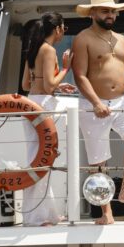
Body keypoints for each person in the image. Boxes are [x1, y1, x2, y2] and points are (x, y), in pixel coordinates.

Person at [72, 0, 124, 225]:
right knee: (98, 160)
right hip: (93, 103)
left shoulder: (121, 39)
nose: (111, 15)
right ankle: (106, 213)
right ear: (93, 13)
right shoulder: (83, 38)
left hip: (122, 102)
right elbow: (80, 76)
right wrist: (95, 102)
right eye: (105, 11)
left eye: (113, 11)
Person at [21, 12, 75, 225]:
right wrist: (65, 69)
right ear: (58, 29)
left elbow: (27, 85)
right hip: (44, 107)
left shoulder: (33, 49)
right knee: (44, 159)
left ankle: (45, 213)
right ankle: (37, 217)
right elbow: (49, 87)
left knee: (36, 158)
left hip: (31, 103)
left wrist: (56, 84)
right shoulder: (50, 50)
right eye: (64, 28)